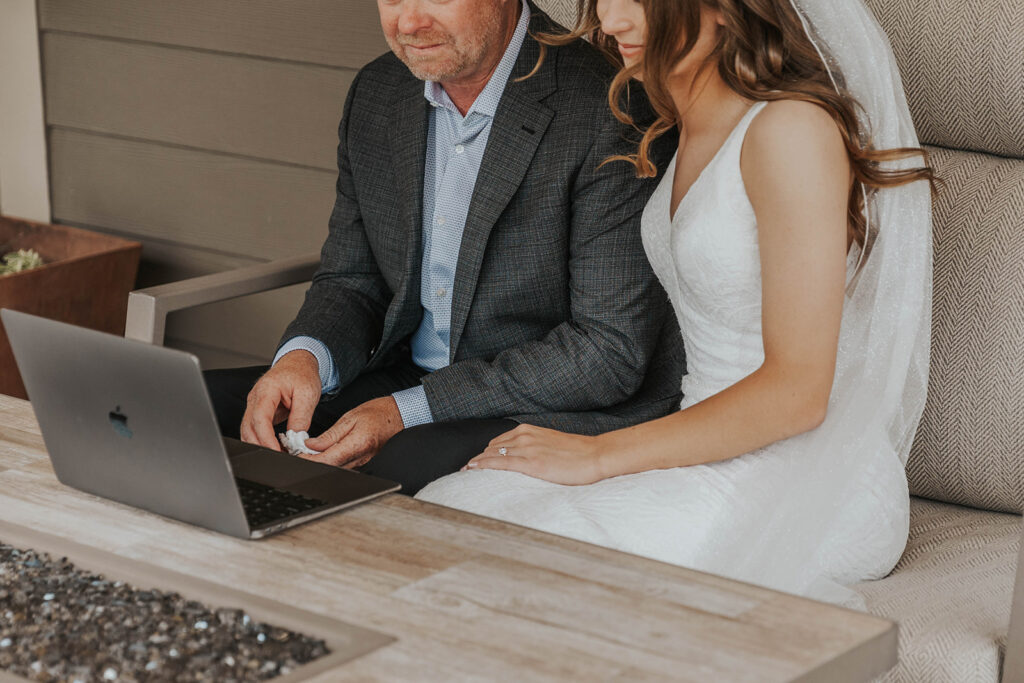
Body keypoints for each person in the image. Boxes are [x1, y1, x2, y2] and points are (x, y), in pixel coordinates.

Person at [417, 0, 935, 605]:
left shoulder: (791, 131)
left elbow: (798, 394)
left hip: (816, 474)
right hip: (699, 441)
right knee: (453, 510)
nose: (610, 24)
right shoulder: (685, 118)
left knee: (544, 562)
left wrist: (597, 455)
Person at [204, 0, 684, 495]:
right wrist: (304, 359)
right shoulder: (378, 91)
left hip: (548, 399)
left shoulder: (608, 107)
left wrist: (406, 411)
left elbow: (606, 352)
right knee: (201, 405)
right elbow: (352, 279)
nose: (409, 23)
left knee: (397, 467)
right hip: (403, 377)